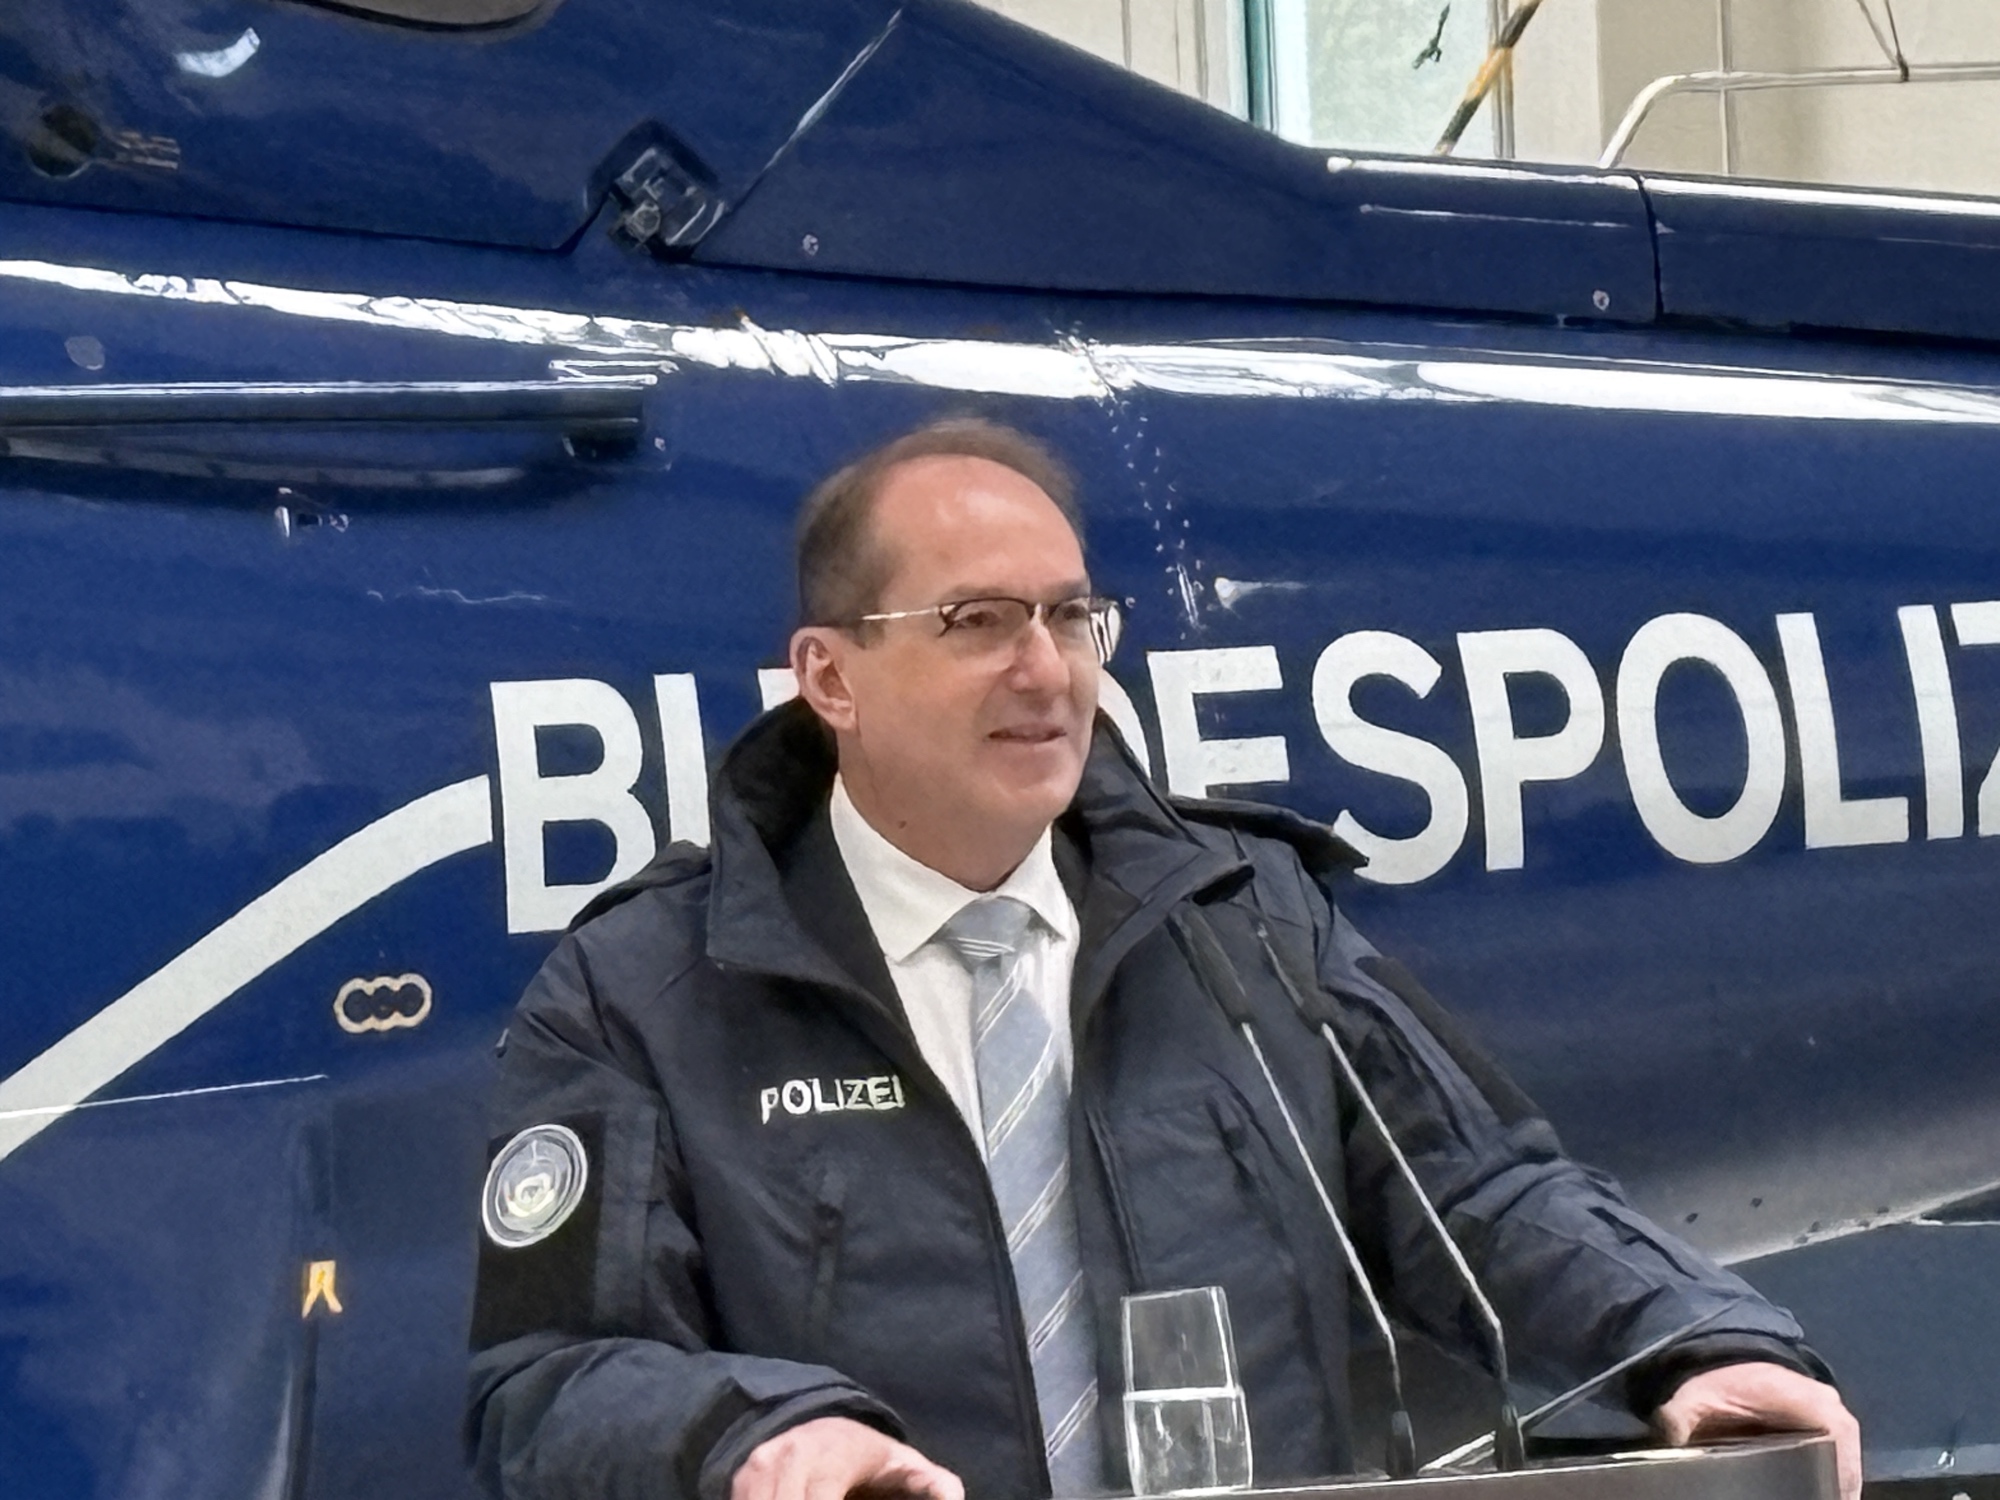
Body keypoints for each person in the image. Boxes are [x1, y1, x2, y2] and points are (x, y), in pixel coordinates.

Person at [467, 419, 1860, 1500]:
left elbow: (1479, 1196)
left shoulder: (1243, 922)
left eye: (1071, 617)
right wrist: (755, 1435)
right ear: (831, 677)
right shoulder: (644, 993)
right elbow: (545, 1383)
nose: (1046, 670)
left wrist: (1696, 1338)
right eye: (977, 621)